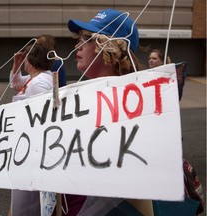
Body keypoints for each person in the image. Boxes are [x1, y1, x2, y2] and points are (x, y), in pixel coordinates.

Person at [49, 8, 150, 216]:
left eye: (87, 38)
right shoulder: (79, 100)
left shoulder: (132, 107)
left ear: (110, 48)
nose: (77, 45)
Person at [9, 42, 54, 216]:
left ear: (32, 60)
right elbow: (16, 84)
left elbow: (41, 119)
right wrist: (16, 64)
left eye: (25, 58)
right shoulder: (36, 79)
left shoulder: (39, 83)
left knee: (27, 201)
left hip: (32, 149)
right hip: (28, 146)